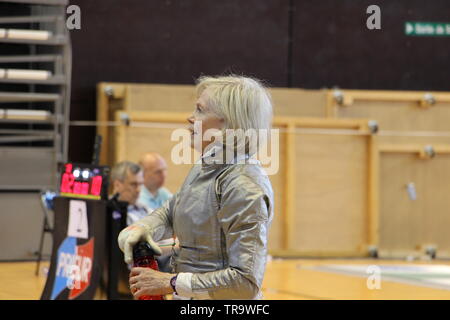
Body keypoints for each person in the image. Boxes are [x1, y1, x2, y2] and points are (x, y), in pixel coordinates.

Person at [118, 75, 274, 300]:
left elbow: (245, 283)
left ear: (228, 122)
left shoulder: (244, 185)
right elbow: (172, 211)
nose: (190, 118)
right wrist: (144, 227)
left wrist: (170, 282)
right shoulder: (205, 167)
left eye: (200, 110)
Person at [110, 161, 150, 226]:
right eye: (133, 184)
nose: (138, 190)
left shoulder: (146, 210)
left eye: (140, 184)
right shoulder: (107, 212)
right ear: (117, 185)